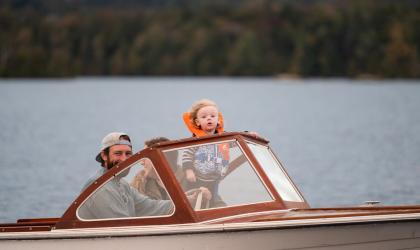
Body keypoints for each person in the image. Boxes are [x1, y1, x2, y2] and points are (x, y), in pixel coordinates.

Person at [78, 132, 174, 219]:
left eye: (128, 154)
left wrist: (185, 201)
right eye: (118, 153)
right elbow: (121, 224)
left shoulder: (121, 184)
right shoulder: (101, 187)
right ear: (104, 156)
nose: (124, 159)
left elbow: (150, 206)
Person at [130, 137, 212, 206]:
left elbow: (219, 207)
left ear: (160, 159)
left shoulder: (193, 178)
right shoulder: (138, 184)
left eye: (145, 157)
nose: (141, 162)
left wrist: (208, 198)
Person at [181, 99, 229, 207]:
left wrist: (248, 135)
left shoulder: (224, 137)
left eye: (212, 116)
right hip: (196, 178)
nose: (209, 118)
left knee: (212, 200)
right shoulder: (196, 139)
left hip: (214, 179)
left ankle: (212, 214)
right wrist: (189, 171)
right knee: (194, 200)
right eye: (204, 117)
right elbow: (186, 155)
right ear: (198, 122)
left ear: (218, 120)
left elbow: (236, 141)